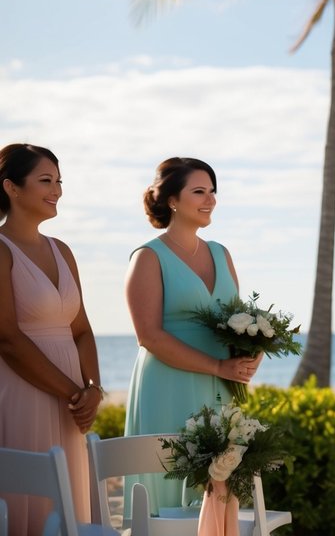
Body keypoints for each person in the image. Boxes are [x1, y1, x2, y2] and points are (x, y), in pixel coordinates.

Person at [124, 157, 260, 514]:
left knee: (220, 484)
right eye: (199, 191)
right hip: (169, 385)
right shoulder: (148, 257)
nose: (210, 199)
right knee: (168, 486)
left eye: (213, 191)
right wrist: (217, 365)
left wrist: (252, 350)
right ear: (171, 200)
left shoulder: (221, 253)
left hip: (222, 386)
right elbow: (149, 336)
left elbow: (237, 321)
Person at [0, 143, 100, 535]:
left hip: (71, 401)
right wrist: (75, 392)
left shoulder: (63, 251)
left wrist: (93, 387)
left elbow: (82, 330)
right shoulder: (2, 250)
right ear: (11, 187)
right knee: (29, 497)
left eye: (59, 181)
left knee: (69, 497)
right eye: (46, 180)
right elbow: (6, 339)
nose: (56, 189)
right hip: (24, 392)